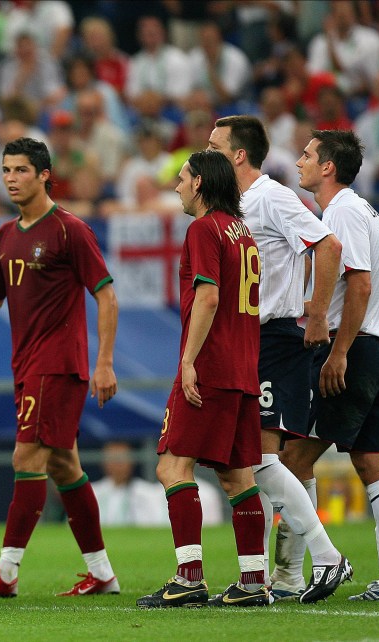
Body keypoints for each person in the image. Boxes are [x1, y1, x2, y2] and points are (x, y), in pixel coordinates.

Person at [206, 115, 353, 603]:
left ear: (238, 155)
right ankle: (274, 577)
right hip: (246, 338)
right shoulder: (235, 205)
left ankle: (326, 558)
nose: (207, 154)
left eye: (215, 146)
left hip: (273, 337)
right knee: (255, 460)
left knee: (264, 457)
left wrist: (316, 313)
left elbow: (327, 245)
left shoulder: (270, 196)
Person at [0, 137, 120, 598]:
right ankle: (102, 574)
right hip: (26, 363)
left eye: (20, 170)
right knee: (62, 465)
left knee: (26, 457)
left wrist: (105, 362)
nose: (11, 178)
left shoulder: (69, 229)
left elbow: (106, 294)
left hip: (58, 363)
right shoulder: (4, 235)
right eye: (6, 170)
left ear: (43, 175)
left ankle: (7, 572)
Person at [280, 130, 379, 601]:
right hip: (377, 347)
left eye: (307, 155)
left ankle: (308, 568)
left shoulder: (341, 212)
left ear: (328, 167)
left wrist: (338, 352)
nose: (299, 162)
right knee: (374, 462)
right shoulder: (364, 210)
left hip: (351, 348)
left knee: (292, 458)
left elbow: (358, 284)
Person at [136, 150, 269, 609]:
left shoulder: (204, 229)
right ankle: (254, 580)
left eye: (182, 178)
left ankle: (189, 576)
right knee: (237, 477)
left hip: (210, 368)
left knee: (172, 467)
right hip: (243, 370)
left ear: (200, 184)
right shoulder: (242, 233)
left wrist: (188, 361)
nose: (176, 186)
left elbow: (208, 298)